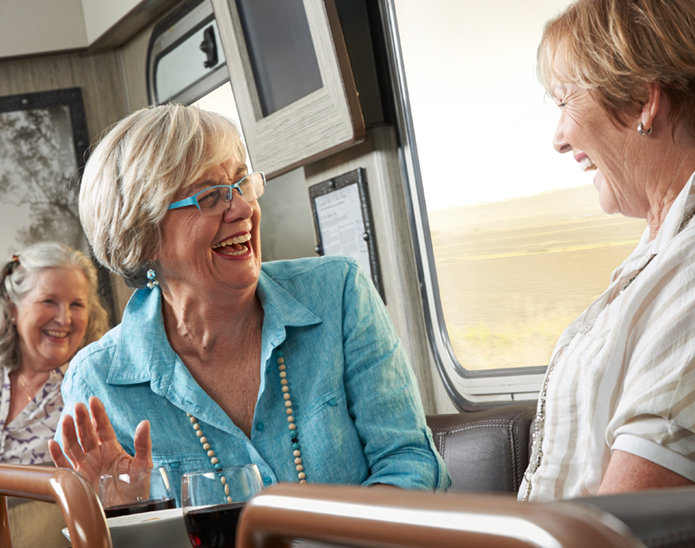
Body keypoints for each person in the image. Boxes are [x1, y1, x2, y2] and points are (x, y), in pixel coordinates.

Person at [49, 104, 450, 494]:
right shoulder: (99, 382)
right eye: (208, 197)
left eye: (241, 185)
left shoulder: (337, 292)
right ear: (143, 235)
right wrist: (123, 513)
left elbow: (410, 460)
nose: (242, 208)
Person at [519, 0, 695, 501]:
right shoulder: (660, 255)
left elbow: (625, 524)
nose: (558, 138)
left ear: (643, 99)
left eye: (565, 101)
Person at [0, 241, 110, 469]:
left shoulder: (94, 392)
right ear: (12, 308)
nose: (64, 319)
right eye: (49, 301)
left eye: (77, 305)